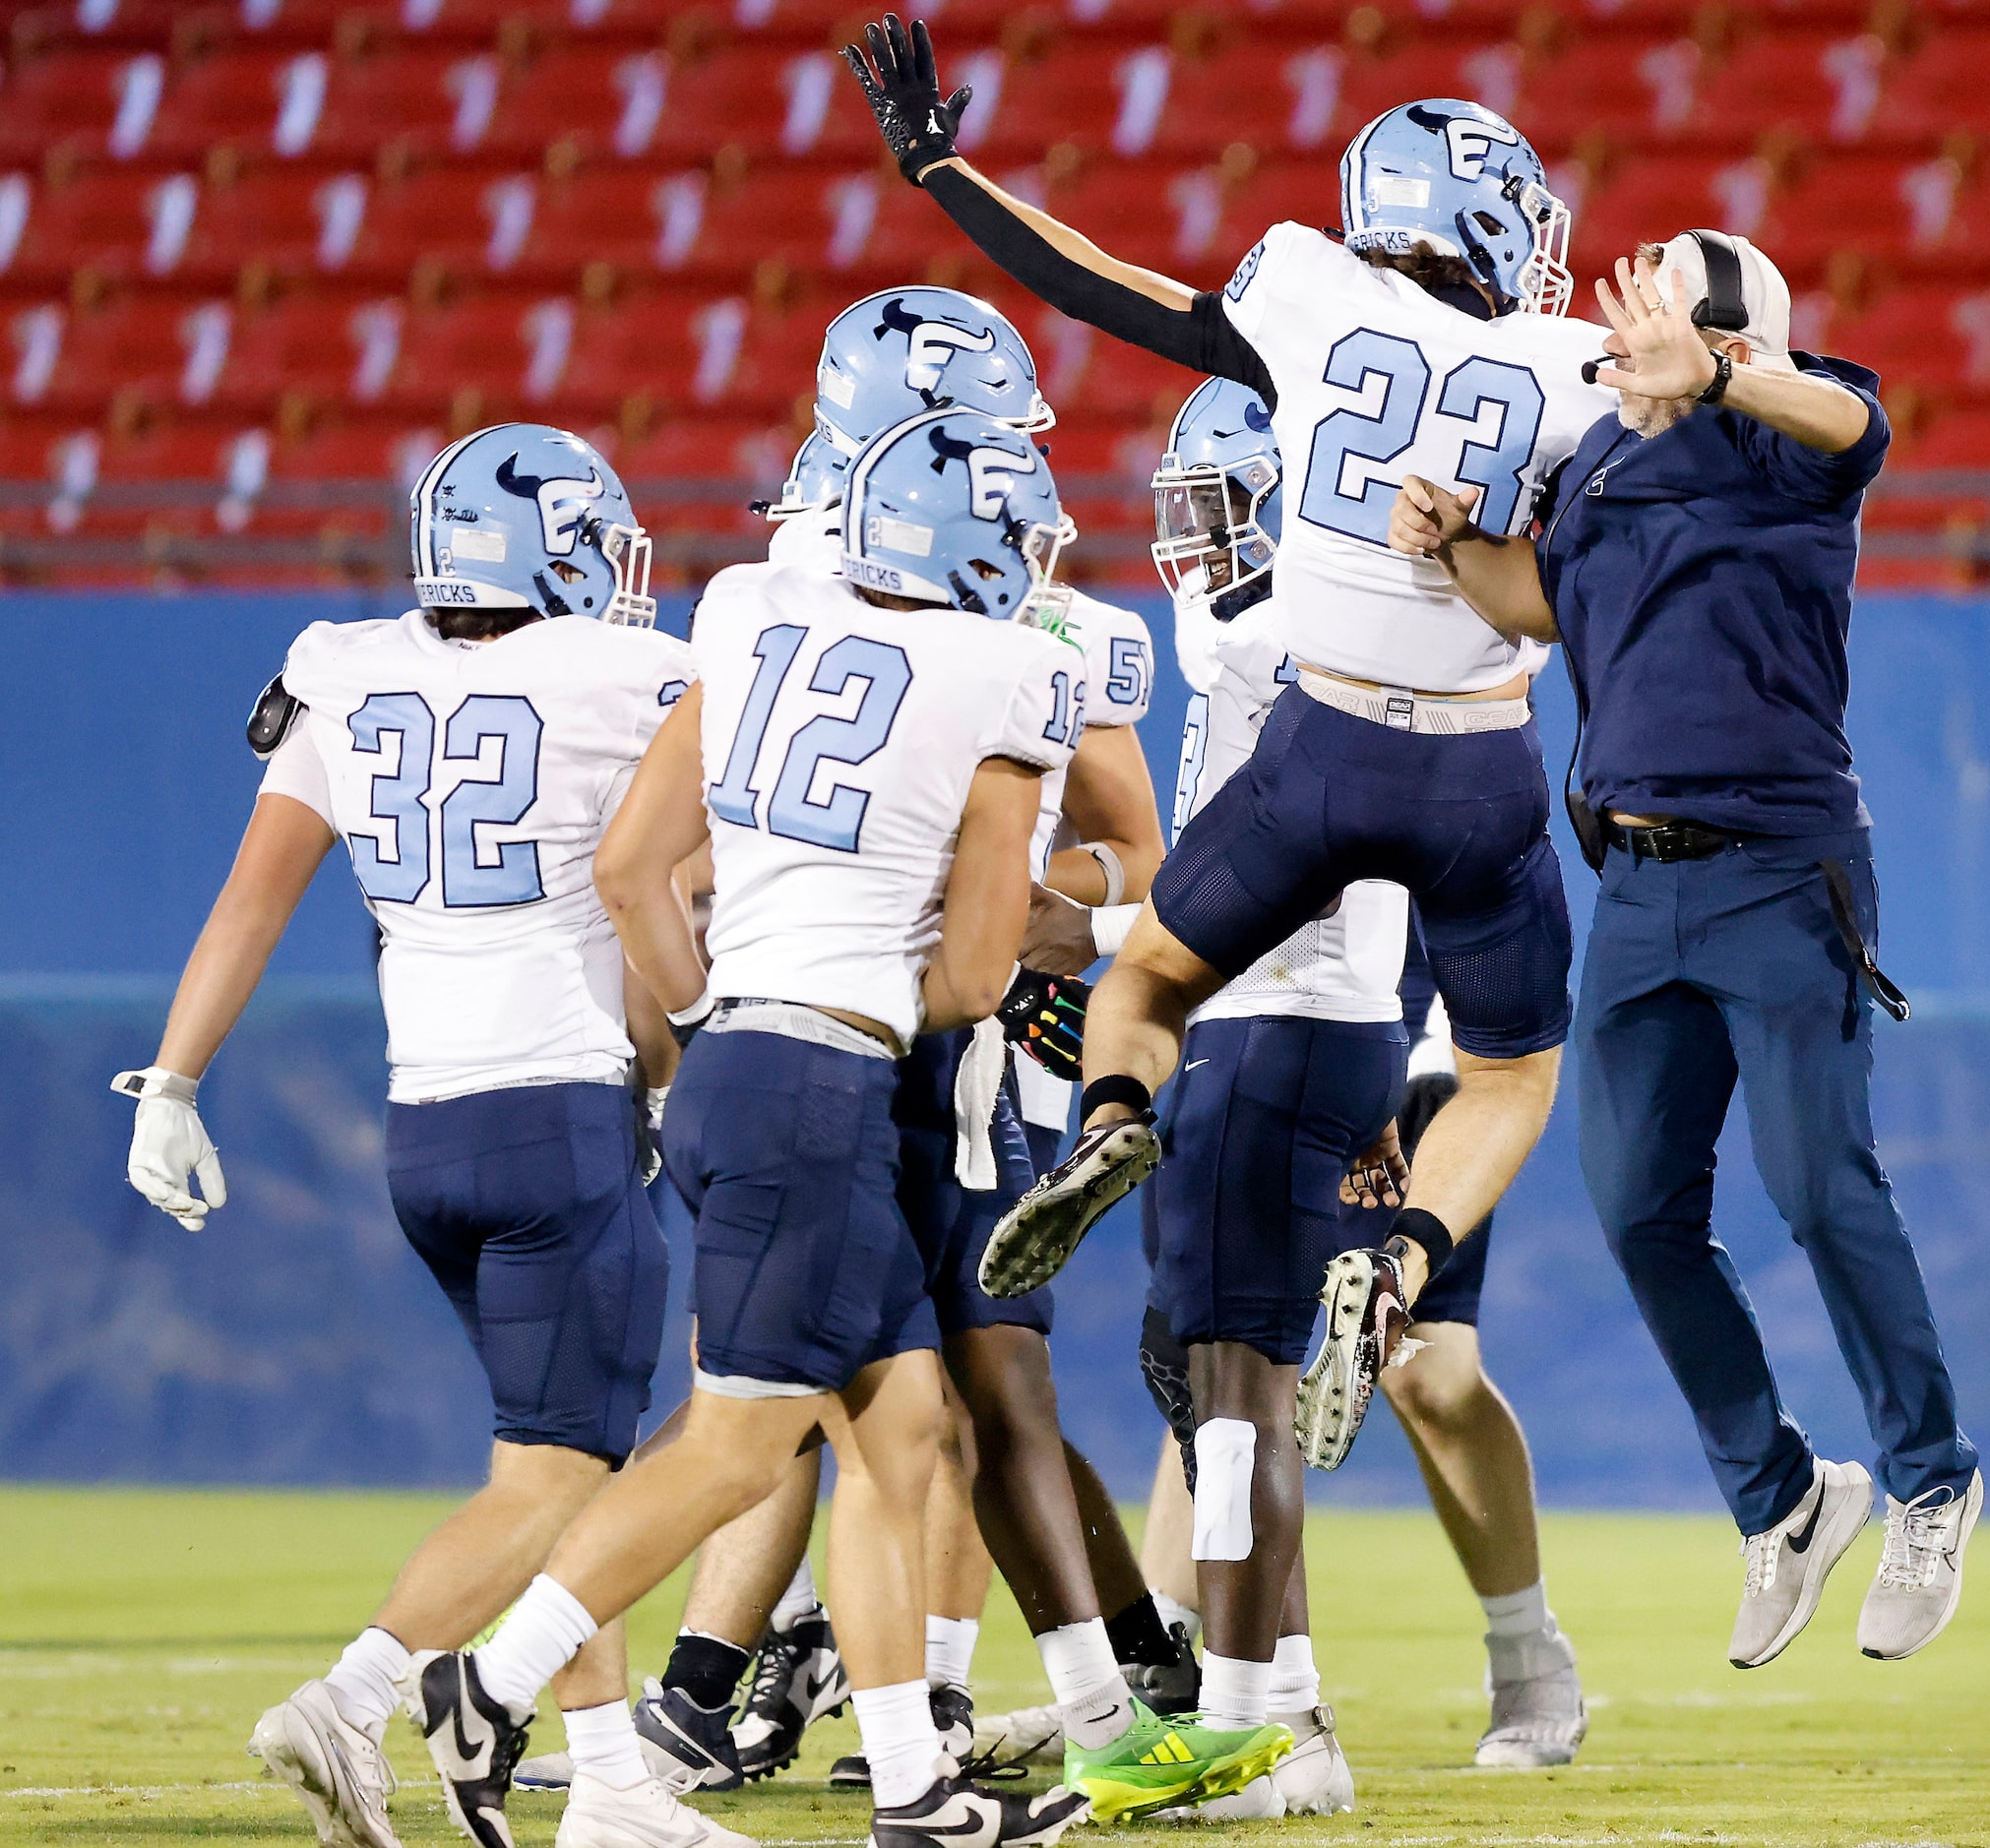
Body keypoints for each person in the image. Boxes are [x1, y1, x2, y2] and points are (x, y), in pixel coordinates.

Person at [407, 407, 1281, 1848]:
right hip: (832, 1080)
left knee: (906, 1423)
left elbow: (632, 866)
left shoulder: (747, 611)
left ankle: (913, 1786)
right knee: (740, 1447)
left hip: (741, 1056)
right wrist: (917, 977)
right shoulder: (1014, 670)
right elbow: (984, 974)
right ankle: (490, 1684)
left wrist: (714, 1019)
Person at [844, 17, 1614, 1468]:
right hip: (1478, 766)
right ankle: (1400, 1259)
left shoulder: (1309, 293)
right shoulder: (1571, 370)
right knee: (1511, 1074)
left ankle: (1110, 1122)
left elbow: (1114, 293)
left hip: (1316, 749)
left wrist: (945, 173)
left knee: (1146, 980)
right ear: (1486, 216)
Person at [111, 424, 730, 1848]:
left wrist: (174, 1081)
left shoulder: (346, 665)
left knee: (550, 1458)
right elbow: (656, 903)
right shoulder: (626, 676)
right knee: (568, 1477)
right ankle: (354, 1694)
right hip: (555, 1115)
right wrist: (669, 1071)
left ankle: (615, 1786)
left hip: (423, 1129)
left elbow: (249, 900)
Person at [1388, 232, 1982, 1668]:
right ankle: (1782, 1501)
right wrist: (1453, 542)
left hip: (1780, 872)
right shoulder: (1592, 464)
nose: (1629, 328)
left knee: (1817, 1185)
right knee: (1636, 1208)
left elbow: (1858, 422)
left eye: (1666, 314)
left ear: (1732, 334)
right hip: (1638, 888)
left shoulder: (1783, 442)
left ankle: (1932, 1476)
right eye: (1633, 309)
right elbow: (1547, 603)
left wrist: (1719, 371)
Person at [1143, 379, 1585, 1784]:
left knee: (1426, 1370)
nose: (1196, 547)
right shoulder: (1244, 636)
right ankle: (1217, 1680)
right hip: (1303, 1019)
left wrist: (1396, 1081)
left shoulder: (1394, 624)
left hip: (1415, 1028)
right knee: (1215, 1352)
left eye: (1221, 512)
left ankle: (1525, 1650)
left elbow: (1424, 863)